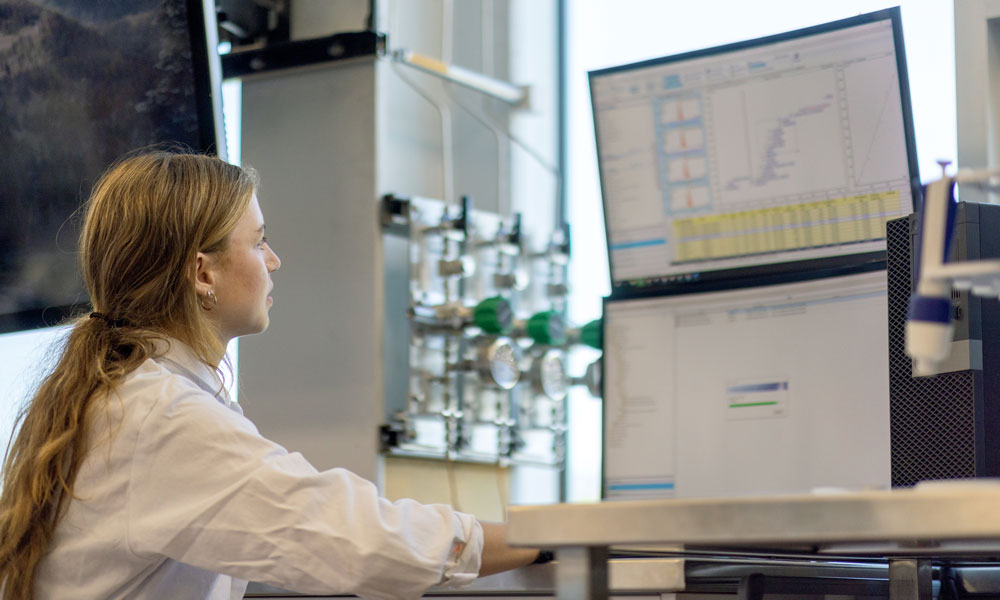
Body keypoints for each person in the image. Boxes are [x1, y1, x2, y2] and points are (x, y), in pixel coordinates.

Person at [0, 151, 540, 600]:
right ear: (202, 271)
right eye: (258, 241)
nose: (274, 260)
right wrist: (542, 537)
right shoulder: (158, 416)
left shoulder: (120, 396)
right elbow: (349, 535)